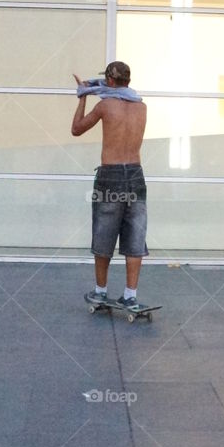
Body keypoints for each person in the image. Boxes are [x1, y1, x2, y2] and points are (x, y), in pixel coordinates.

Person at [71, 61, 149, 310]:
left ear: (111, 81)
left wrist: (83, 95)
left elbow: (76, 129)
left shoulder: (105, 106)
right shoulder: (142, 107)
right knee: (135, 236)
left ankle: (101, 292)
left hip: (111, 175)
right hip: (136, 175)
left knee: (104, 233)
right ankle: (130, 295)